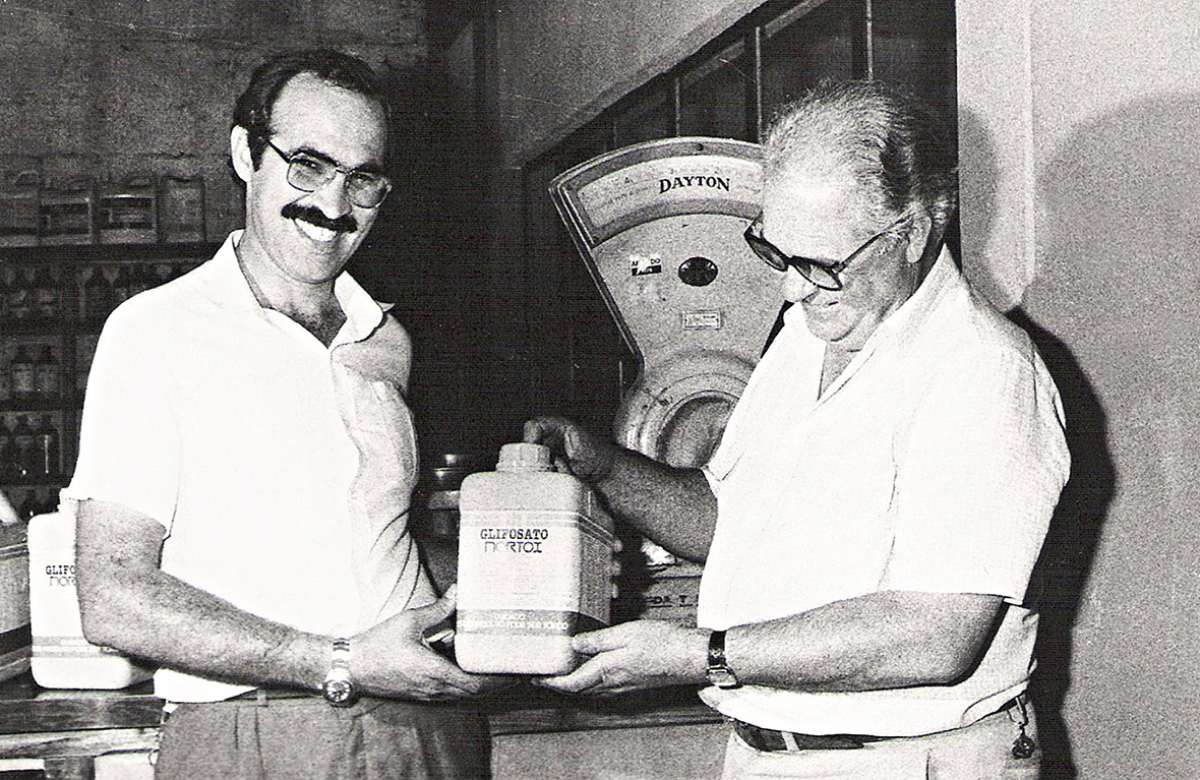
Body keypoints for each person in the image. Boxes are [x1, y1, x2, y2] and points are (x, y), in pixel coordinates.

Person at [526, 79, 1070, 779]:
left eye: (821, 264)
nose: (791, 287)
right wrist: (604, 468)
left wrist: (699, 655)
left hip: (905, 762)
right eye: (774, 251)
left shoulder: (982, 370)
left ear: (913, 231)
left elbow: (936, 634)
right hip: (767, 755)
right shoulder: (806, 335)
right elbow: (734, 525)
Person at [68, 49, 505, 780]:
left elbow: (374, 545)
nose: (334, 205)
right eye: (308, 165)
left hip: (429, 725)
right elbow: (112, 597)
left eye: (362, 179)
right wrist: (340, 661)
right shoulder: (155, 331)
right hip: (255, 729)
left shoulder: (387, 341)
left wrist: (526, 571)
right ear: (247, 154)